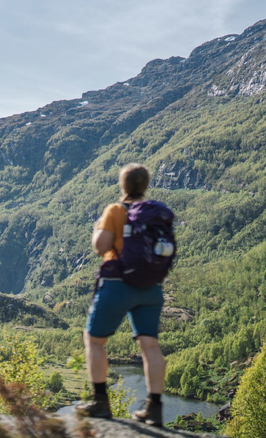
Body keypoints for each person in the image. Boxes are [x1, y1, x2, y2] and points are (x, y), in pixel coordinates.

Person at [75, 163, 167, 426]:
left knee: (94, 340)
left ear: (123, 185)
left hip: (117, 284)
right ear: (145, 185)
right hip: (151, 287)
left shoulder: (116, 210)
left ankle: (101, 402)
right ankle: (155, 408)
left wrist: (99, 229)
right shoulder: (156, 213)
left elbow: (101, 246)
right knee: (150, 345)